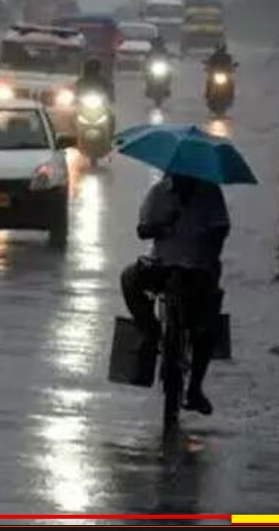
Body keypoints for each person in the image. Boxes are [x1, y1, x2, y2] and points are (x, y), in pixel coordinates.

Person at [120, 172, 230, 416]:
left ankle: (195, 388)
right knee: (129, 278)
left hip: (198, 270)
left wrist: (209, 251)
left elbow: (221, 229)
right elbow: (142, 230)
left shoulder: (210, 193)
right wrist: (162, 224)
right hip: (162, 266)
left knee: (207, 325)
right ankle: (149, 331)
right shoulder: (159, 192)